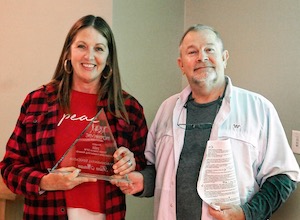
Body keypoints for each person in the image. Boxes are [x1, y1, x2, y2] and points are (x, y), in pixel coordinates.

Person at [112, 24, 300, 220]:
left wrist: (248, 213)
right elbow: (155, 169)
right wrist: (142, 181)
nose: (201, 57)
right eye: (192, 52)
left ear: (224, 57)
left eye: (209, 49)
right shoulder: (167, 109)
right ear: (181, 64)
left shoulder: (258, 108)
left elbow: (284, 177)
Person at [0, 15, 148, 220]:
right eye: (81, 46)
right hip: (45, 215)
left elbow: (143, 165)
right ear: (68, 53)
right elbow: (9, 168)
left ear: (108, 58)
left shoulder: (128, 109)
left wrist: (130, 163)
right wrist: (45, 181)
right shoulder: (37, 102)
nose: (89, 56)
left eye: (99, 48)